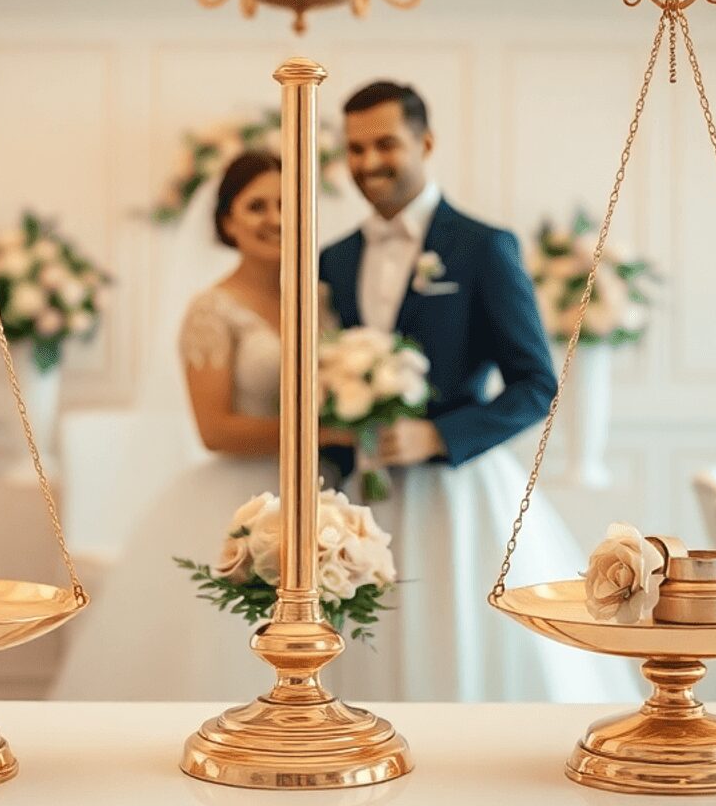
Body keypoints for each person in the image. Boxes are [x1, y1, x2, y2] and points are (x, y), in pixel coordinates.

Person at [318, 80, 641, 703]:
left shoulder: (484, 247)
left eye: (385, 144)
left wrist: (439, 434)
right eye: (354, 150)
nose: (367, 164)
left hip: (456, 498)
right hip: (359, 498)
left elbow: (536, 384)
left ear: (426, 142)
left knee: (453, 638)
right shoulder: (333, 258)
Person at [50, 153, 293, 700]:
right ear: (227, 221)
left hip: (321, 497)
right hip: (239, 501)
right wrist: (324, 435)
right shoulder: (211, 309)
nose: (273, 217)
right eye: (256, 206)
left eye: (285, 203)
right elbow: (215, 430)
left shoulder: (319, 298)